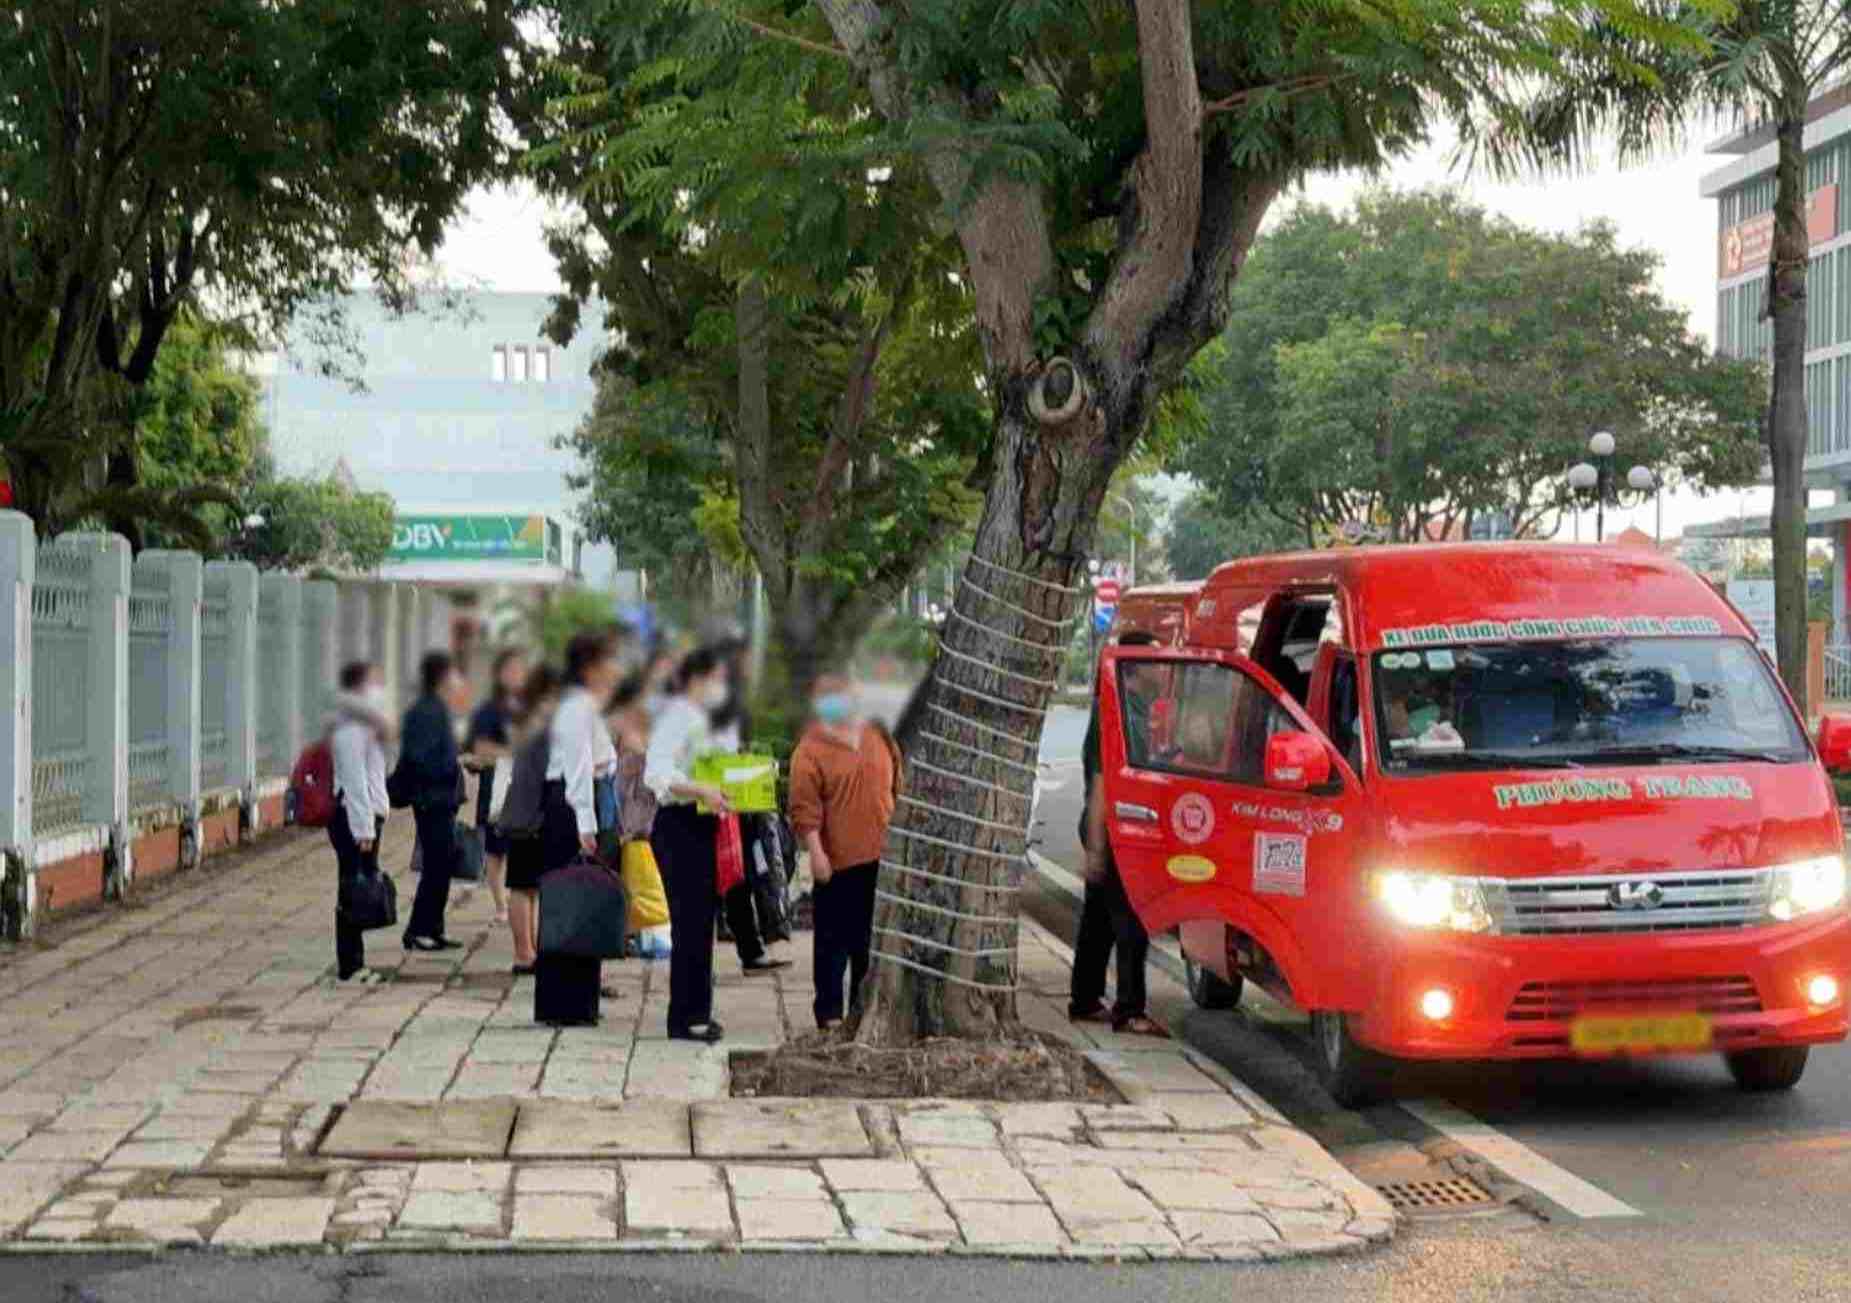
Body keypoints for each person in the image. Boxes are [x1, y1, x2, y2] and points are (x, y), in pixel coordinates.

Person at [788, 673, 900, 1030]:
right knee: (832, 944)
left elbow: (897, 787)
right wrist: (816, 854)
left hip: (881, 858)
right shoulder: (810, 749)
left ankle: (862, 1010)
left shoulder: (878, 735)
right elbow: (804, 810)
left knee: (869, 943)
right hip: (835, 863)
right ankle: (830, 1014)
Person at [1071, 632, 1166, 1036]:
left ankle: (1086, 999)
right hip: (1114, 827)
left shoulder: (1132, 708)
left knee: (1098, 920)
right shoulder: (1114, 711)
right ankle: (1129, 1011)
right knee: (1130, 921)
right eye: (1155, 663)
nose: (1163, 670)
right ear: (1134, 669)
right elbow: (1102, 783)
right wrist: (1096, 847)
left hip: (1117, 824)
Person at [535, 631, 625, 1027]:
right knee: (568, 902)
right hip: (570, 806)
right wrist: (585, 824)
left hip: (582, 800)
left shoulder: (585, 703)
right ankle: (563, 1000)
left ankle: (580, 995)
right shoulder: (576, 705)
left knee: (582, 901)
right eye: (608, 661)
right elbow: (577, 768)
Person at [645, 646, 734, 1043]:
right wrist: (700, 788)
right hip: (679, 824)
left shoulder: (708, 718)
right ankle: (685, 1017)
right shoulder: (676, 715)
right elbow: (657, 772)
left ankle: (697, 1010)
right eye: (716, 677)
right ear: (697, 678)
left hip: (705, 824)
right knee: (689, 923)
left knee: (701, 923)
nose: (721, 685)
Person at [708, 639, 788, 974]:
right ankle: (749, 947)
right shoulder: (718, 704)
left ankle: (756, 944)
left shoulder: (743, 701)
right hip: (727, 798)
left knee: (757, 869)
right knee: (737, 874)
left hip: (748, 795)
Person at [399, 651, 472, 953]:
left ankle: (433, 928)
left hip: (441, 799)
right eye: (454, 673)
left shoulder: (437, 708)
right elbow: (421, 758)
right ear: (443, 677)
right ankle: (418, 930)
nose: (458, 680)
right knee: (435, 866)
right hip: (431, 799)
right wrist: (455, 764)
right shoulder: (427, 711)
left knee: (441, 865)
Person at [329, 660, 392, 983]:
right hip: (353, 817)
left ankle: (355, 962)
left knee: (358, 886)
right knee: (352, 888)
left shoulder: (367, 723)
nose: (382, 687)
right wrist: (364, 826)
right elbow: (354, 779)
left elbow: (378, 770)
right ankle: (350, 967)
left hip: (365, 814)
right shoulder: (351, 725)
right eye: (375, 681)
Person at [500, 665, 560, 977]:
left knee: (527, 885)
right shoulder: (543, 722)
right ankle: (524, 953)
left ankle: (528, 948)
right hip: (532, 813)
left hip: (523, 809)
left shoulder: (530, 718)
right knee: (523, 885)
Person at [465, 650, 527, 926]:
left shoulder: (529, 706)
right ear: (500, 675)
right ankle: (501, 904)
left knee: (524, 846)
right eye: (511, 669)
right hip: (498, 787)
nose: (517, 675)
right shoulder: (489, 710)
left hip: (526, 785)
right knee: (495, 849)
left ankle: (520, 901)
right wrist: (511, 750)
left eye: (520, 669)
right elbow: (478, 747)